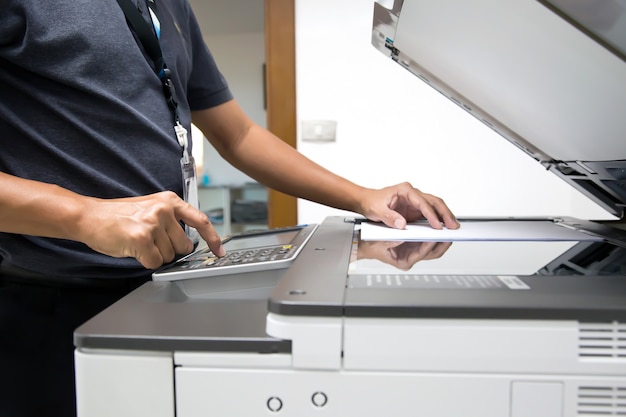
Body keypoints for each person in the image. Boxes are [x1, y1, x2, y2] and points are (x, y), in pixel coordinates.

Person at [0, 0, 459, 415]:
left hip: (161, 284)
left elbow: (238, 135)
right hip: (50, 303)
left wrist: (362, 197)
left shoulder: (169, 7)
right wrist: (85, 215)